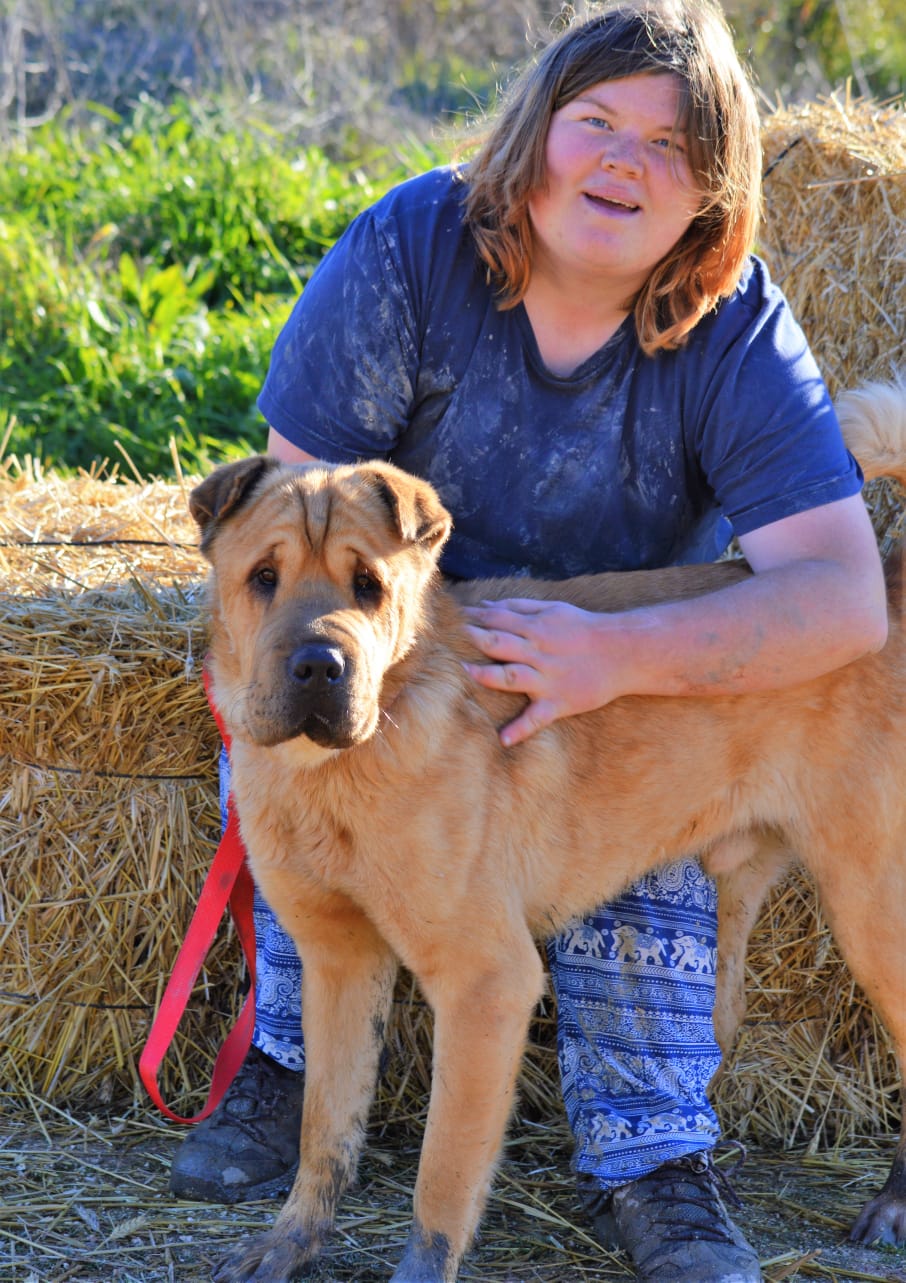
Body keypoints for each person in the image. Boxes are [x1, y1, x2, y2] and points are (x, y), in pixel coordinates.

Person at [169, 2, 888, 1279]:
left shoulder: (735, 327)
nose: (622, 159)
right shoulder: (413, 246)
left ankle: (658, 1158)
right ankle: (288, 1075)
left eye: (669, 147)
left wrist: (614, 658)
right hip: (412, 661)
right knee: (296, 760)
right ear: (534, 133)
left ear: (714, 196)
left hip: (648, 685)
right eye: (596, 121)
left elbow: (843, 603)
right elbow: (282, 542)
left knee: (641, 923)